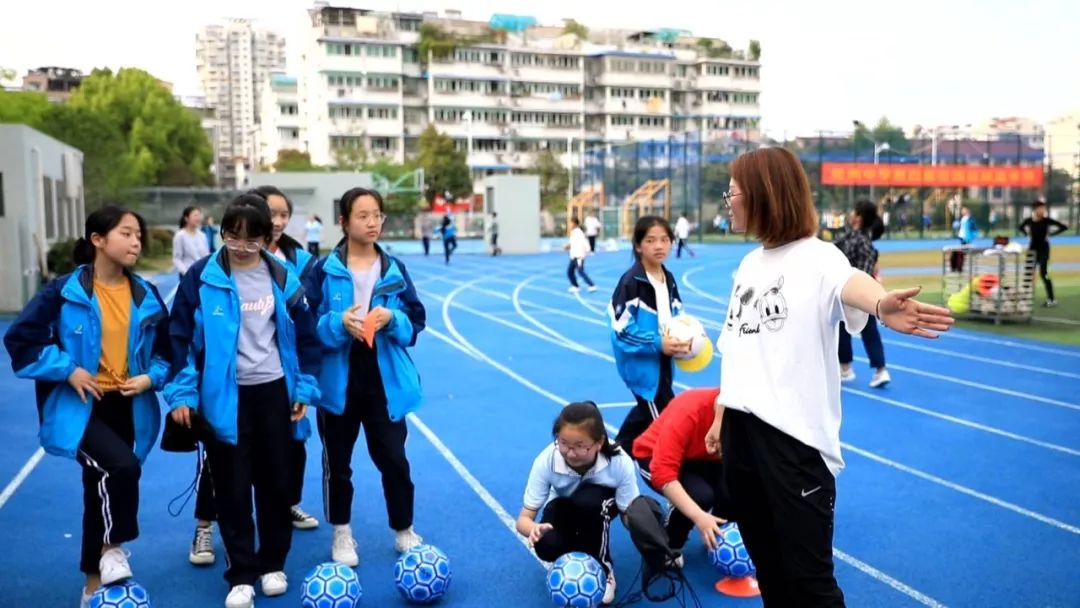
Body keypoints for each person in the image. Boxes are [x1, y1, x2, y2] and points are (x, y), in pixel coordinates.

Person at [705, 147, 953, 606]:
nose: (728, 201)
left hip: (793, 444)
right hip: (741, 437)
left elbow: (850, 284)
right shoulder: (748, 265)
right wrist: (721, 414)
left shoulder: (818, 258)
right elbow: (736, 349)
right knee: (771, 573)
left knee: (810, 583)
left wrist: (880, 304)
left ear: (763, 195)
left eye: (733, 192)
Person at [4, 206, 170, 608]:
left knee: (98, 491)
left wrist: (150, 378)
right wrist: (68, 369)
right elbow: (20, 343)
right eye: (127, 234)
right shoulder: (63, 291)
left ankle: (92, 583)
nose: (136, 242)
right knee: (122, 468)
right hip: (80, 406)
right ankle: (113, 547)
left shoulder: (146, 294)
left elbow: (168, 355)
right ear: (98, 239)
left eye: (138, 235)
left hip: (127, 406)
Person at [165, 194, 321, 608]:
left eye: (252, 240)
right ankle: (241, 574)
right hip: (224, 399)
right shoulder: (202, 277)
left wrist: (303, 388)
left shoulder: (284, 277)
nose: (241, 246)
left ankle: (273, 564)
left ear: (267, 237)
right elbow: (179, 339)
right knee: (232, 489)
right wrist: (182, 393)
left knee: (275, 485)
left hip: (274, 392)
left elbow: (305, 338)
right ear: (224, 233)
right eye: (234, 237)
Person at [306, 187, 426, 567]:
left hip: (383, 378)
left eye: (377, 215)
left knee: (394, 458)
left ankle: (404, 528)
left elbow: (416, 322)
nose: (372, 222)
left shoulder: (393, 269)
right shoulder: (322, 270)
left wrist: (393, 320)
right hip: (338, 379)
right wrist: (338, 324)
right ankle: (342, 532)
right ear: (344, 222)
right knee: (337, 464)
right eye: (363, 215)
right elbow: (306, 326)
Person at [517, 402, 640, 605]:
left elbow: (628, 512)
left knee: (589, 502)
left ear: (599, 442)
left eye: (580, 447)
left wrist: (645, 531)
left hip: (600, 504)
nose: (570, 453)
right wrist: (533, 529)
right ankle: (578, 559)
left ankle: (603, 568)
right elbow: (523, 519)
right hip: (565, 505)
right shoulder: (546, 460)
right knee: (547, 546)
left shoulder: (619, 461)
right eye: (563, 443)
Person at [609, 216, 689, 451]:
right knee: (668, 428)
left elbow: (678, 314)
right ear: (638, 246)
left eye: (665, 240)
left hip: (663, 361)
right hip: (643, 367)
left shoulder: (669, 278)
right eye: (651, 240)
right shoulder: (631, 283)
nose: (659, 246)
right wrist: (656, 343)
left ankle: (610, 461)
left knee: (640, 423)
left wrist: (685, 335)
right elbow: (620, 330)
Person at [632, 387, 730, 557]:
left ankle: (721, 539)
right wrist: (699, 516)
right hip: (653, 456)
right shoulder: (689, 411)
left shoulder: (751, 417)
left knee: (736, 490)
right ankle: (671, 542)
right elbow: (662, 473)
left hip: (702, 458)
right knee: (700, 497)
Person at [833, 200, 890, 388]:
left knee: (844, 327)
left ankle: (846, 368)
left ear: (858, 217)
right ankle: (878, 369)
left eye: (853, 212)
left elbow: (837, 254)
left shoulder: (856, 240)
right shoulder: (861, 239)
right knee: (866, 330)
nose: (850, 215)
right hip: (862, 290)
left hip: (852, 290)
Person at [1019, 200, 1068, 307]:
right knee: (1027, 274)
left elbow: (1064, 227)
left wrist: (1052, 234)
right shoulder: (1029, 221)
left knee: (1043, 273)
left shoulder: (1046, 221)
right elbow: (1021, 227)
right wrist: (1025, 233)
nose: (1043, 210)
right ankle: (1024, 299)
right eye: (1040, 208)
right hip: (1032, 249)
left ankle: (1051, 299)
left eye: (1043, 208)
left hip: (1044, 249)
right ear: (1035, 210)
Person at [173, 206, 210, 278]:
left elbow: (206, 256)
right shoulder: (180, 235)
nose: (198, 218)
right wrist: (186, 273)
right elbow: (177, 259)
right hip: (187, 276)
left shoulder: (202, 236)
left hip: (202, 276)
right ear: (186, 218)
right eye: (195, 215)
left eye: (199, 215)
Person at [565, 217, 596, 293]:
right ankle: (575, 286)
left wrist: (586, 251)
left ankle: (592, 285)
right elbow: (572, 243)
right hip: (573, 256)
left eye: (571, 223)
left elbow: (585, 242)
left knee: (580, 272)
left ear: (574, 223)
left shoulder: (579, 232)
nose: (569, 225)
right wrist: (566, 247)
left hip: (579, 256)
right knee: (570, 271)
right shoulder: (574, 232)